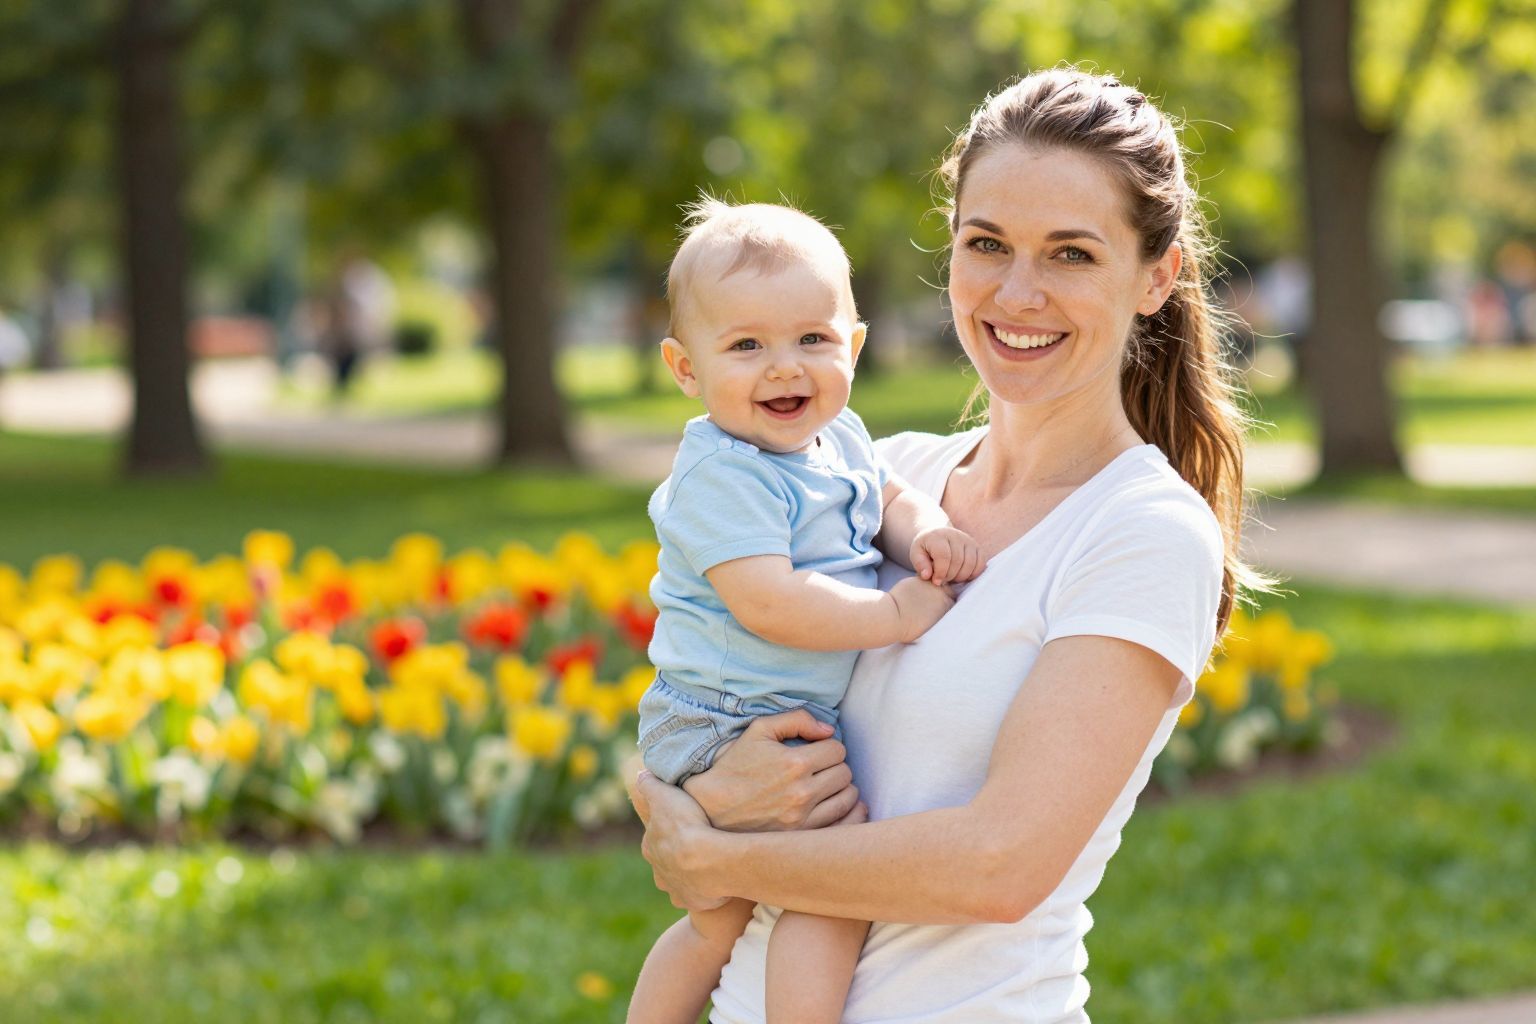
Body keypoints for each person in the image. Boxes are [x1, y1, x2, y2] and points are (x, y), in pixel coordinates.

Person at [630, 67, 1270, 1023]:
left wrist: (715, 855)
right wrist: (691, 790)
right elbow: (691, 680)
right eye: (988, 244)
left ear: (1157, 277)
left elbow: (999, 865)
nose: (1019, 292)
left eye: (1071, 255)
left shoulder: (1142, 533)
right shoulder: (875, 477)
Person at [628, 199, 986, 1024]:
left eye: (812, 340)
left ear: (853, 345)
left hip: (778, 717)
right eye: (746, 345)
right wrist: (896, 616)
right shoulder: (724, 475)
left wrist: (926, 527)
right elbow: (771, 604)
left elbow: (886, 495)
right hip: (719, 720)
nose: (785, 367)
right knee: (777, 906)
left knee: (771, 905)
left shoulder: (844, 437)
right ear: (686, 369)